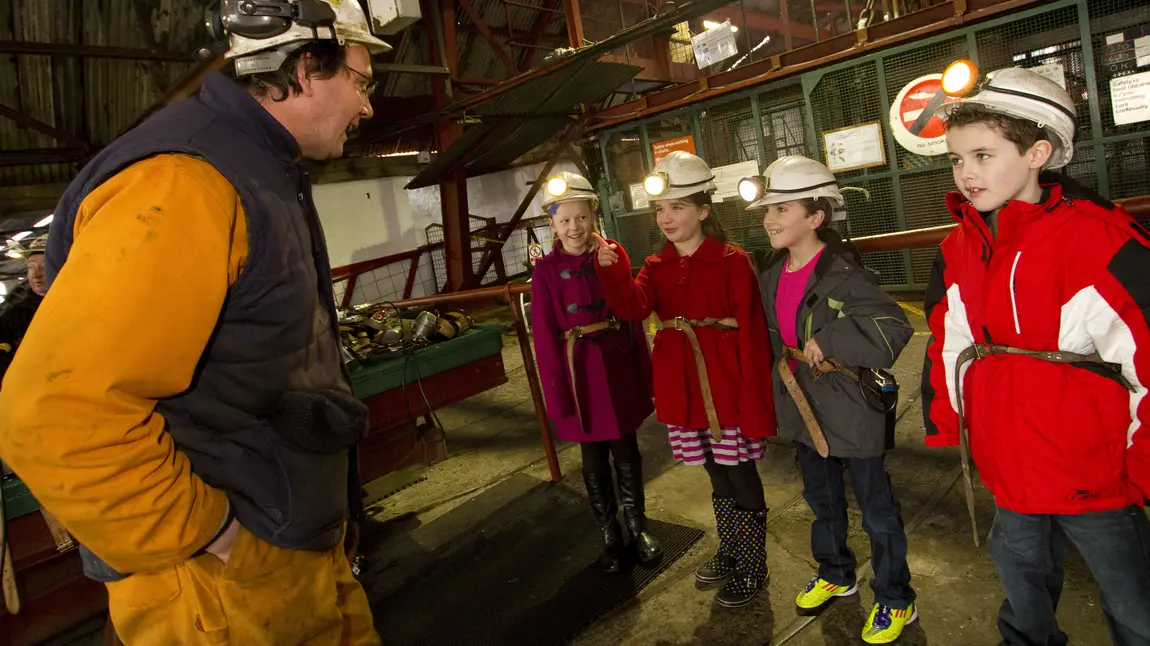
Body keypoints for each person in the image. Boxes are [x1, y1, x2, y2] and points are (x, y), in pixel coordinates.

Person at [0, 2, 392, 644]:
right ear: (304, 69)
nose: (369, 105)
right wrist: (215, 537)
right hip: (218, 586)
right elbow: (55, 413)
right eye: (361, 79)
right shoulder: (185, 183)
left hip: (282, 542)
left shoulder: (257, 166)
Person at [921, 64, 1150, 645]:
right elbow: (951, 340)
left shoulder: (1103, 241)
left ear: (1038, 152)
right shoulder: (959, 246)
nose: (967, 174)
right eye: (956, 160)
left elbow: (1145, 358)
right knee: (1022, 584)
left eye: (982, 155)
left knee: (1132, 603)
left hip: (1098, 476)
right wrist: (950, 421)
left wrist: (1144, 467)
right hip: (1010, 466)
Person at [592, 150, 777, 608]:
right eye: (660, 209)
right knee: (716, 473)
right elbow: (632, 308)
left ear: (703, 209)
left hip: (729, 390)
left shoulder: (732, 261)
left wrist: (756, 399)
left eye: (677, 207)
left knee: (740, 472)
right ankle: (732, 550)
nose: (666, 218)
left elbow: (753, 334)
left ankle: (754, 564)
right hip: (688, 391)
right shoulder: (655, 267)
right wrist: (614, 266)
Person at [745, 156, 916, 642]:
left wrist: (835, 338)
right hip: (803, 407)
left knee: (876, 509)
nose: (769, 219)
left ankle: (895, 598)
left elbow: (894, 325)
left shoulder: (842, 274)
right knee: (821, 500)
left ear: (816, 218)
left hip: (849, 408)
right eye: (768, 209)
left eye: (781, 209)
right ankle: (836, 573)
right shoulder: (773, 271)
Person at [530, 171, 662, 572]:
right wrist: (557, 391)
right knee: (591, 457)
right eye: (565, 220)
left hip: (616, 363)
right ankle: (609, 530)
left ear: (594, 215)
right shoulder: (546, 271)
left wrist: (645, 372)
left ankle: (637, 525)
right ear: (551, 223)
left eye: (581, 217)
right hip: (578, 373)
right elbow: (544, 335)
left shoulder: (612, 254)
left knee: (626, 448)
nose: (575, 227)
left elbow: (632, 311)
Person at [0, 234, 48, 380]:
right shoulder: (15, 316)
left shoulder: (83, 308)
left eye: (44, 267)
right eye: (31, 267)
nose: (36, 274)